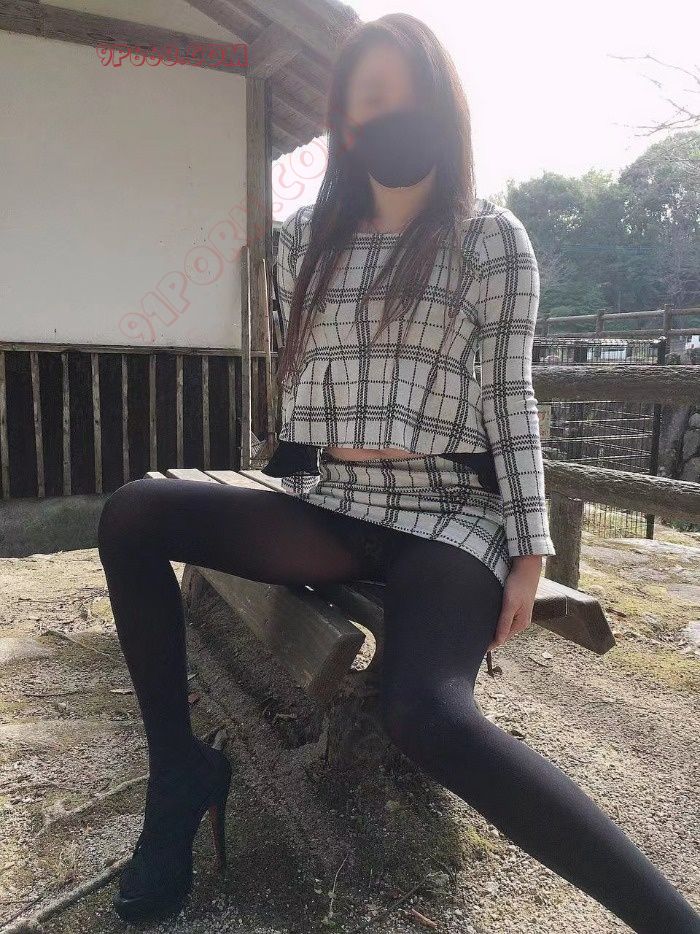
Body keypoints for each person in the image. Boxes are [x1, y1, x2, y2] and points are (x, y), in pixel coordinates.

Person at [97, 13, 700, 931]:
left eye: (412, 95)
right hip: (335, 502)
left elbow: (511, 398)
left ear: (445, 109)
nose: (394, 114)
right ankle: (179, 773)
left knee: (428, 716)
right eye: (373, 97)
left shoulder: (492, 240)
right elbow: (305, 382)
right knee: (133, 513)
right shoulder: (305, 242)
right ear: (344, 121)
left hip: (451, 516)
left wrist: (530, 550)